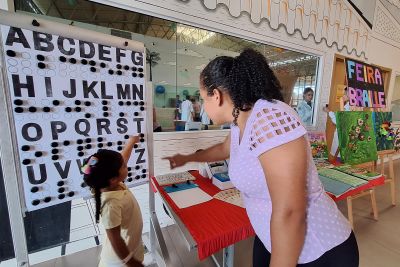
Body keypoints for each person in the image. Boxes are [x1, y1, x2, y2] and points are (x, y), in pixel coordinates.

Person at [164, 49, 358, 267]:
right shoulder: (241, 118)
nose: (204, 107)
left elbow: (290, 212)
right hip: (271, 236)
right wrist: (189, 157)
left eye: (202, 98)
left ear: (216, 95)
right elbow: (224, 149)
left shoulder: (269, 119)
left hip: (317, 249)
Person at [82, 136, 144, 267]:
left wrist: (131, 142)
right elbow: (114, 238)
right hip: (119, 261)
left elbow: (122, 159)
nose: (126, 165)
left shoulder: (110, 183)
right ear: (113, 179)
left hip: (131, 246)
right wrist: (131, 262)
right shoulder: (110, 204)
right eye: (124, 166)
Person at [323, 87, 350, 158]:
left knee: (339, 157)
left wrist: (329, 112)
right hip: (346, 135)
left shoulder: (348, 107)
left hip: (343, 134)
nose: (344, 95)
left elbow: (339, 122)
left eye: (345, 93)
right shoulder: (349, 105)